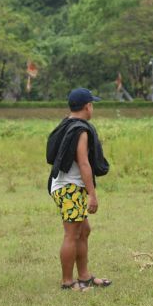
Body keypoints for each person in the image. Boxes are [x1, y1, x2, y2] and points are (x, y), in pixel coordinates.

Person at [47, 88, 112, 291]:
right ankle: (68, 282)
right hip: (70, 188)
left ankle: (84, 276)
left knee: (84, 230)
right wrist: (92, 194)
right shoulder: (80, 130)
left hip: (66, 186)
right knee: (72, 234)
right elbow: (84, 164)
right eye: (92, 104)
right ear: (87, 107)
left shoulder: (66, 124)